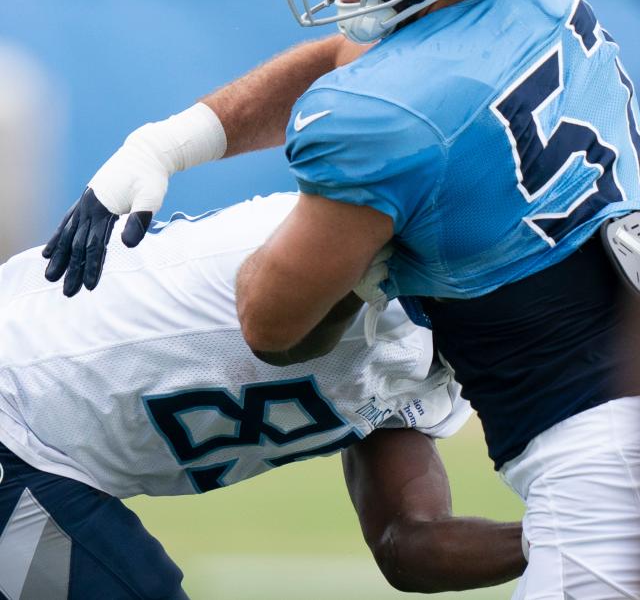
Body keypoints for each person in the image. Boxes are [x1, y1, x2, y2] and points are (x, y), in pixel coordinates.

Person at [43, 0, 640, 598]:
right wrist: (169, 143)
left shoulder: (392, 122)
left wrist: (359, 258)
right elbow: (363, 57)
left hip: (596, 461)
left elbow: (274, 322)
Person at [0, 192, 526, 598]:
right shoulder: (348, 254)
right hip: (15, 398)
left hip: (41, 446)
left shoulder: (438, 357)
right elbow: (279, 335)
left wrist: (565, 530)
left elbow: (407, 542)